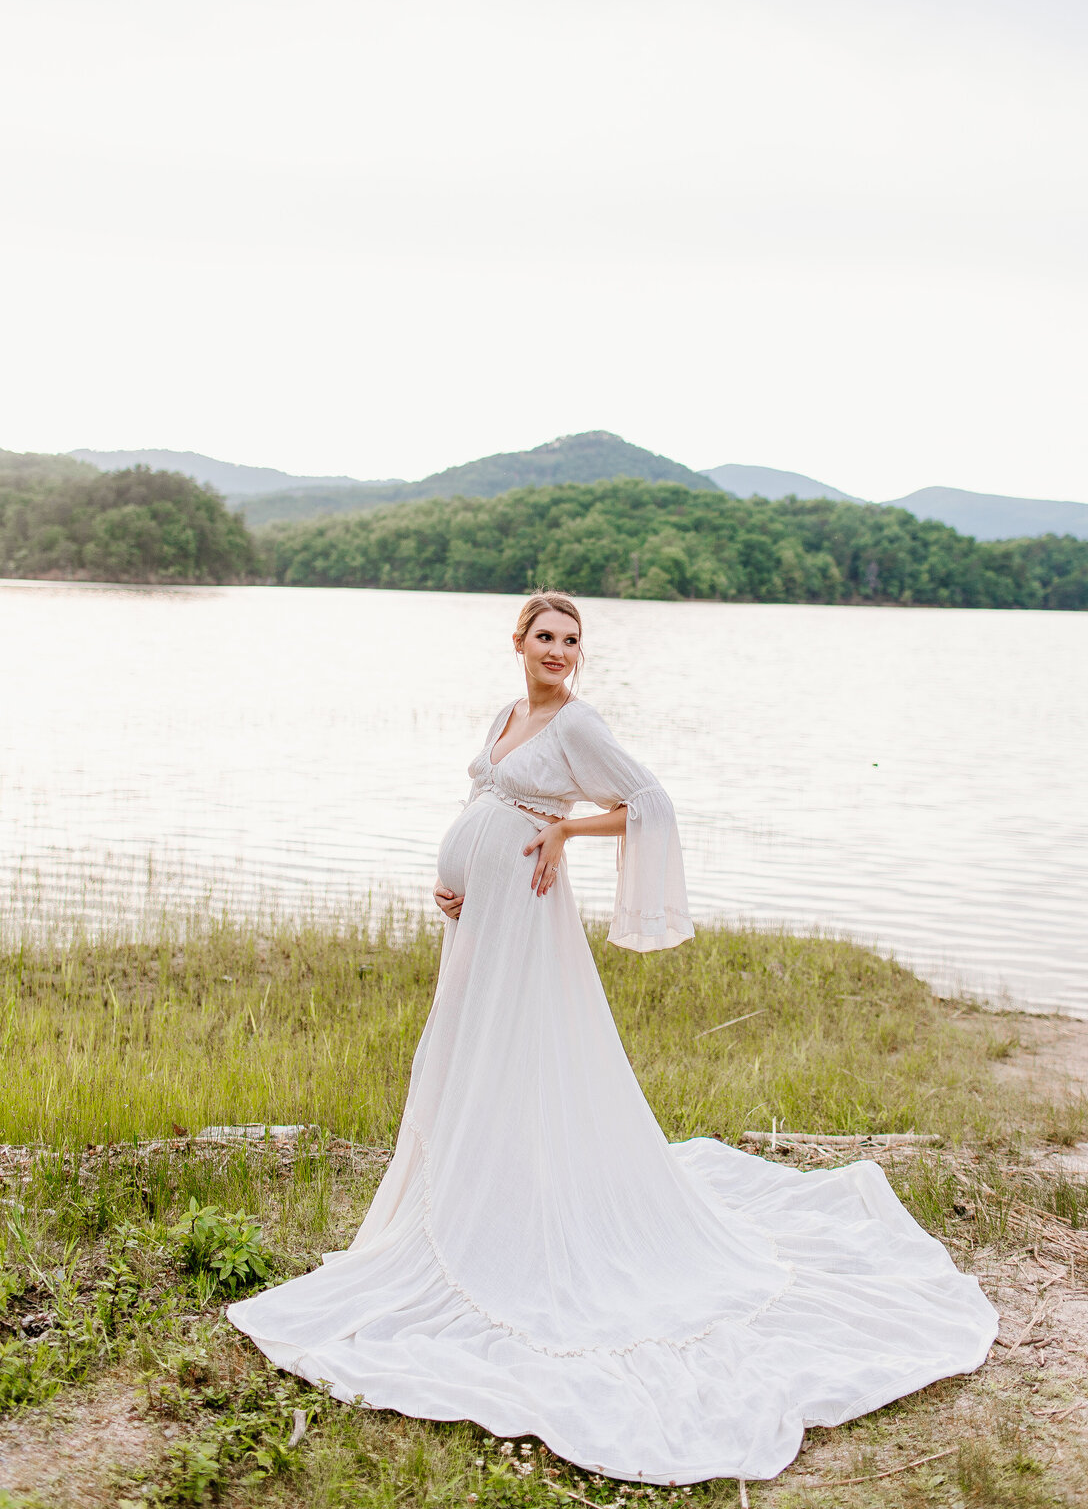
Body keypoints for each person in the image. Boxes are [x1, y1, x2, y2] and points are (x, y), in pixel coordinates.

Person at [229, 592, 997, 1484]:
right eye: (545, 637)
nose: (559, 651)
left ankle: (518, 1222)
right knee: (469, 1055)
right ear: (516, 642)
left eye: (571, 641)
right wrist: (456, 880)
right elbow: (486, 803)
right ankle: (482, 1190)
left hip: (528, 915)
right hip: (481, 917)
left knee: (520, 1055)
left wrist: (564, 826)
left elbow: (647, 801)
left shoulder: (580, 723)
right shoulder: (509, 713)